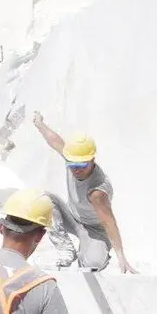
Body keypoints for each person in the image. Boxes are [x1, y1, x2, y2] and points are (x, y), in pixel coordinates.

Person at [32, 113, 137, 274]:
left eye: (81, 164)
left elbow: (109, 222)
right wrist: (40, 123)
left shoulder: (97, 191)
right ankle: (66, 249)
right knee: (42, 198)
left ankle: (93, 250)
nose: (76, 169)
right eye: (72, 164)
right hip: (72, 217)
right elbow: (54, 140)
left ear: (92, 160)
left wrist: (121, 257)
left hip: (94, 229)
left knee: (92, 264)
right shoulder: (72, 158)